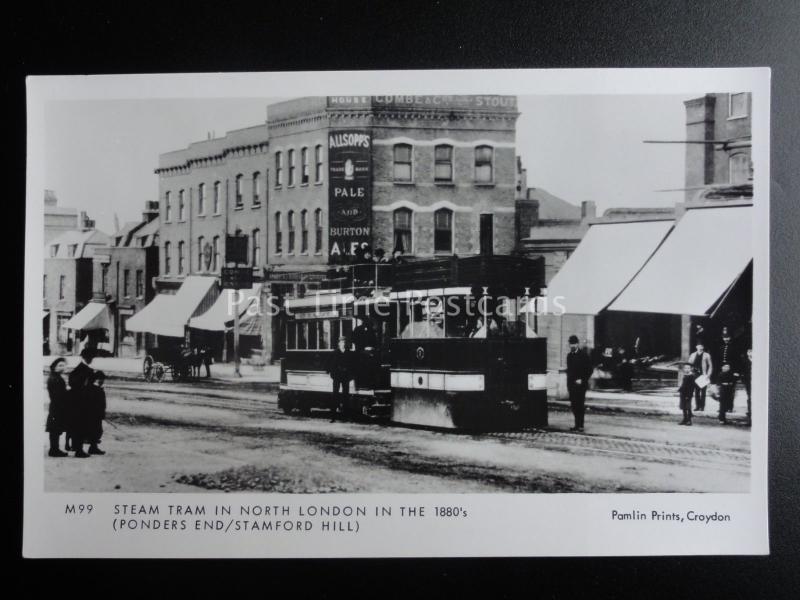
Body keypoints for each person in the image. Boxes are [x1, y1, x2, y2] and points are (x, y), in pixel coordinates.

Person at [67, 348, 95, 458]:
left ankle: (78, 448)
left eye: (92, 358)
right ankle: (78, 450)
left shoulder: (85, 369)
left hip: (82, 402)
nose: (91, 360)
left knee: (80, 426)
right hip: (79, 402)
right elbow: (74, 384)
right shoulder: (82, 370)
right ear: (85, 358)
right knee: (79, 426)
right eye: (90, 358)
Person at [566, 335, 593, 432]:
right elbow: (569, 371)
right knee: (574, 405)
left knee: (580, 405)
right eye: (571, 344)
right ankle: (576, 425)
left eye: (574, 343)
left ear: (577, 344)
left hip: (581, 385)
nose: (572, 345)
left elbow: (589, 370)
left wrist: (582, 379)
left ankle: (580, 425)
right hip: (572, 385)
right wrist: (569, 384)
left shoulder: (583, 355)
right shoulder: (569, 356)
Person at [45, 357, 69, 457]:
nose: (62, 367)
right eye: (60, 365)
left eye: (63, 365)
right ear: (54, 367)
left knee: (56, 428)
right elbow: (58, 394)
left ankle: (55, 449)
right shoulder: (55, 379)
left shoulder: (56, 377)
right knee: (55, 429)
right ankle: (54, 450)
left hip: (56, 406)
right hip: (57, 406)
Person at [328, 337, 354, 422]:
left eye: (344, 342)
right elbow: (331, 365)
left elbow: (351, 365)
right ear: (339, 343)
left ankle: (345, 416)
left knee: (345, 396)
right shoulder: (335, 353)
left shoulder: (348, 353)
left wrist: (350, 376)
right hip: (337, 376)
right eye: (341, 342)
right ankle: (333, 417)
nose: (343, 344)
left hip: (345, 376)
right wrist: (333, 375)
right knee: (335, 395)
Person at [85, 371, 107, 455]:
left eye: (102, 379)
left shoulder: (97, 388)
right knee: (95, 430)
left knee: (97, 430)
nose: (102, 381)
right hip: (94, 414)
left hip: (97, 414)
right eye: (100, 379)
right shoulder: (95, 389)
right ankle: (93, 447)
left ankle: (93, 447)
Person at [688, 342, 713, 411]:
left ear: (703, 347)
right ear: (696, 347)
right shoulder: (693, 355)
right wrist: (690, 372)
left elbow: (710, 366)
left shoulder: (706, 355)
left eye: (701, 346)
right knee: (696, 391)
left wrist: (708, 375)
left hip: (703, 375)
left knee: (703, 392)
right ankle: (697, 406)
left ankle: (702, 406)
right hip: (695, 375)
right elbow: (689, 364)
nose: (700, 347)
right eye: (699, 346)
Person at [740, 348, 752, 425]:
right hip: (748, 382)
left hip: (756, 381)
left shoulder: (758, 360)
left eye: (752, 351)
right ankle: (750, 414)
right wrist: (744, 380)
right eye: (749, 351)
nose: (750, 353)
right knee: (749, 397)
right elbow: (742, 372)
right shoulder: (745, 361)